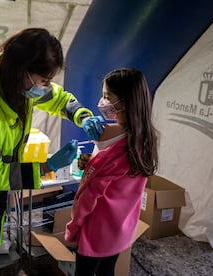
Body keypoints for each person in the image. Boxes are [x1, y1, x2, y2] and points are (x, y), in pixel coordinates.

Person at [0, 27, 104, 275]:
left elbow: (56, 98)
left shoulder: (17, 84)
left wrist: (81, 116)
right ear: (22, 71)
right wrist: (47, 166)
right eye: (43, 80)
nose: (46, 86)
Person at [65, 68, 159, 276]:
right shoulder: (144, 139)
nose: (102, 101)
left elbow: (87, 199)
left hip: (96, 231)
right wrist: (91, 163)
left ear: (123, 103)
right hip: (121, 228)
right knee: (108, 271)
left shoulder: (113, 148)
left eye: (107, 97)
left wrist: (74, 227)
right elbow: (121, 183)